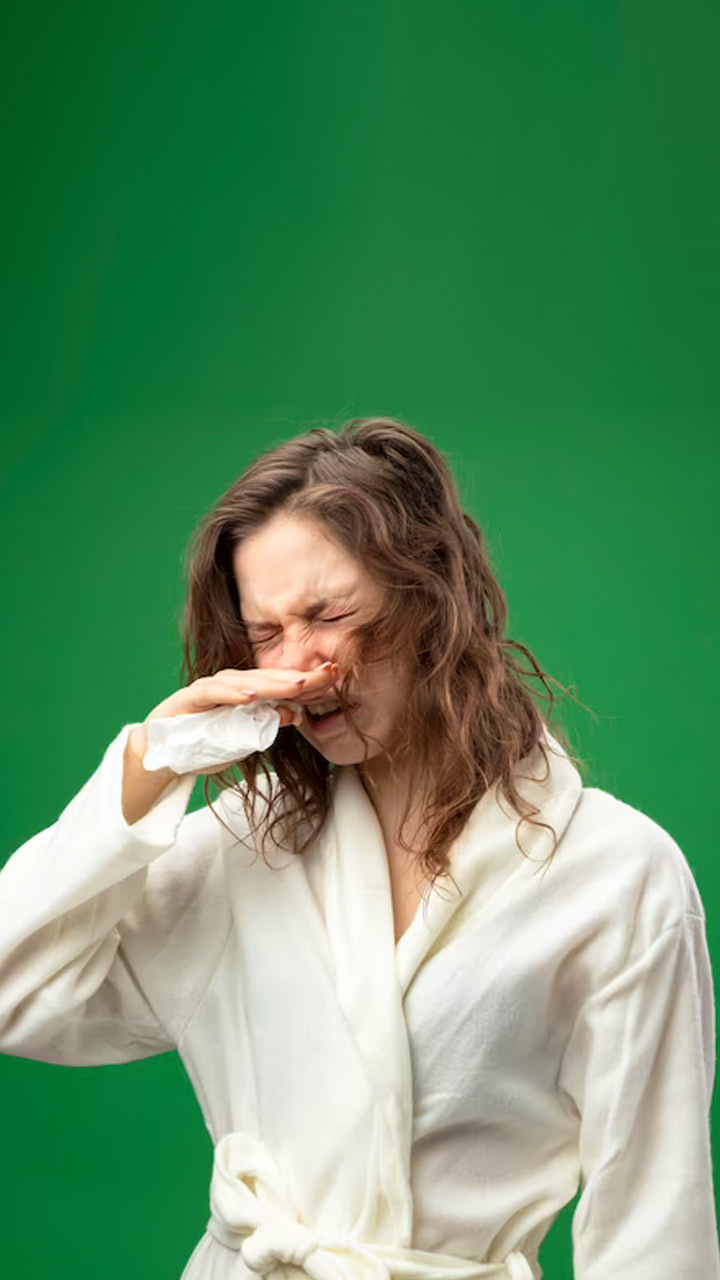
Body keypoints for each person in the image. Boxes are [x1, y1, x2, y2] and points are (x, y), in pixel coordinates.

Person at [0, 417, 717, 1280]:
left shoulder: (617, 874)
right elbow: (12, 990)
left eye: (328, 615)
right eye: (266, 633)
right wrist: (150, 764)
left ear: (430, 597)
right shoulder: (241, 851)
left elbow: (653, 1226)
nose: (300, 667)